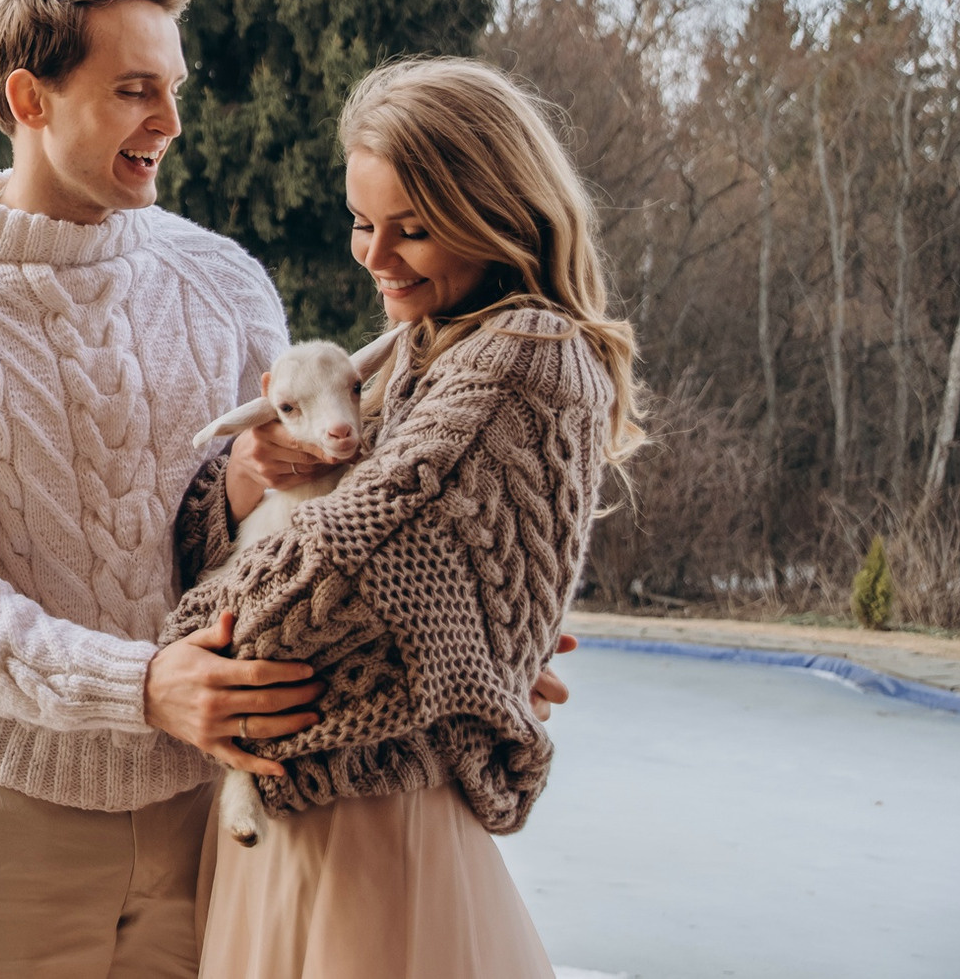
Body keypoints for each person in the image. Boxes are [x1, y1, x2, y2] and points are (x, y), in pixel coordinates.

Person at [0, 0, 321, 979]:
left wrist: (463, 645)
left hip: (219, 808)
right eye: (135, 89)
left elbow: (289, 532)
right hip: (9, 818)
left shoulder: (226, 282)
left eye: (174, 88)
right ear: (29, 99)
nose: (169, 121)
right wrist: (139, 686)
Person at [168, 56, 642, 978]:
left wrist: (174, 656)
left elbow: (299, 603)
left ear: (497, 215)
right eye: (361, 221)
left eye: (413, 229)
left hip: (369, 850)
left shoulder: (518, 358)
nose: (375, 256)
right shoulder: (427, 349)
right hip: (322, 828)